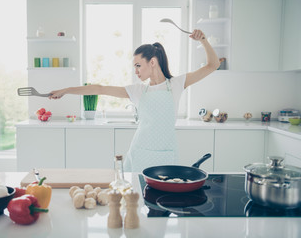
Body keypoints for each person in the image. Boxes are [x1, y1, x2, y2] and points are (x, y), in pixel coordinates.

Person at [49, 29, 219, 172]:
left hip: (167, 156)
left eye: (138, 65)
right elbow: (99, 88)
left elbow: (213, 65)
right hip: (139, 154)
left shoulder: (176, 84)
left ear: (152, 62)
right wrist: (66, 90)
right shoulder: (137, 91)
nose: (136, 71)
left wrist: (203, 40)